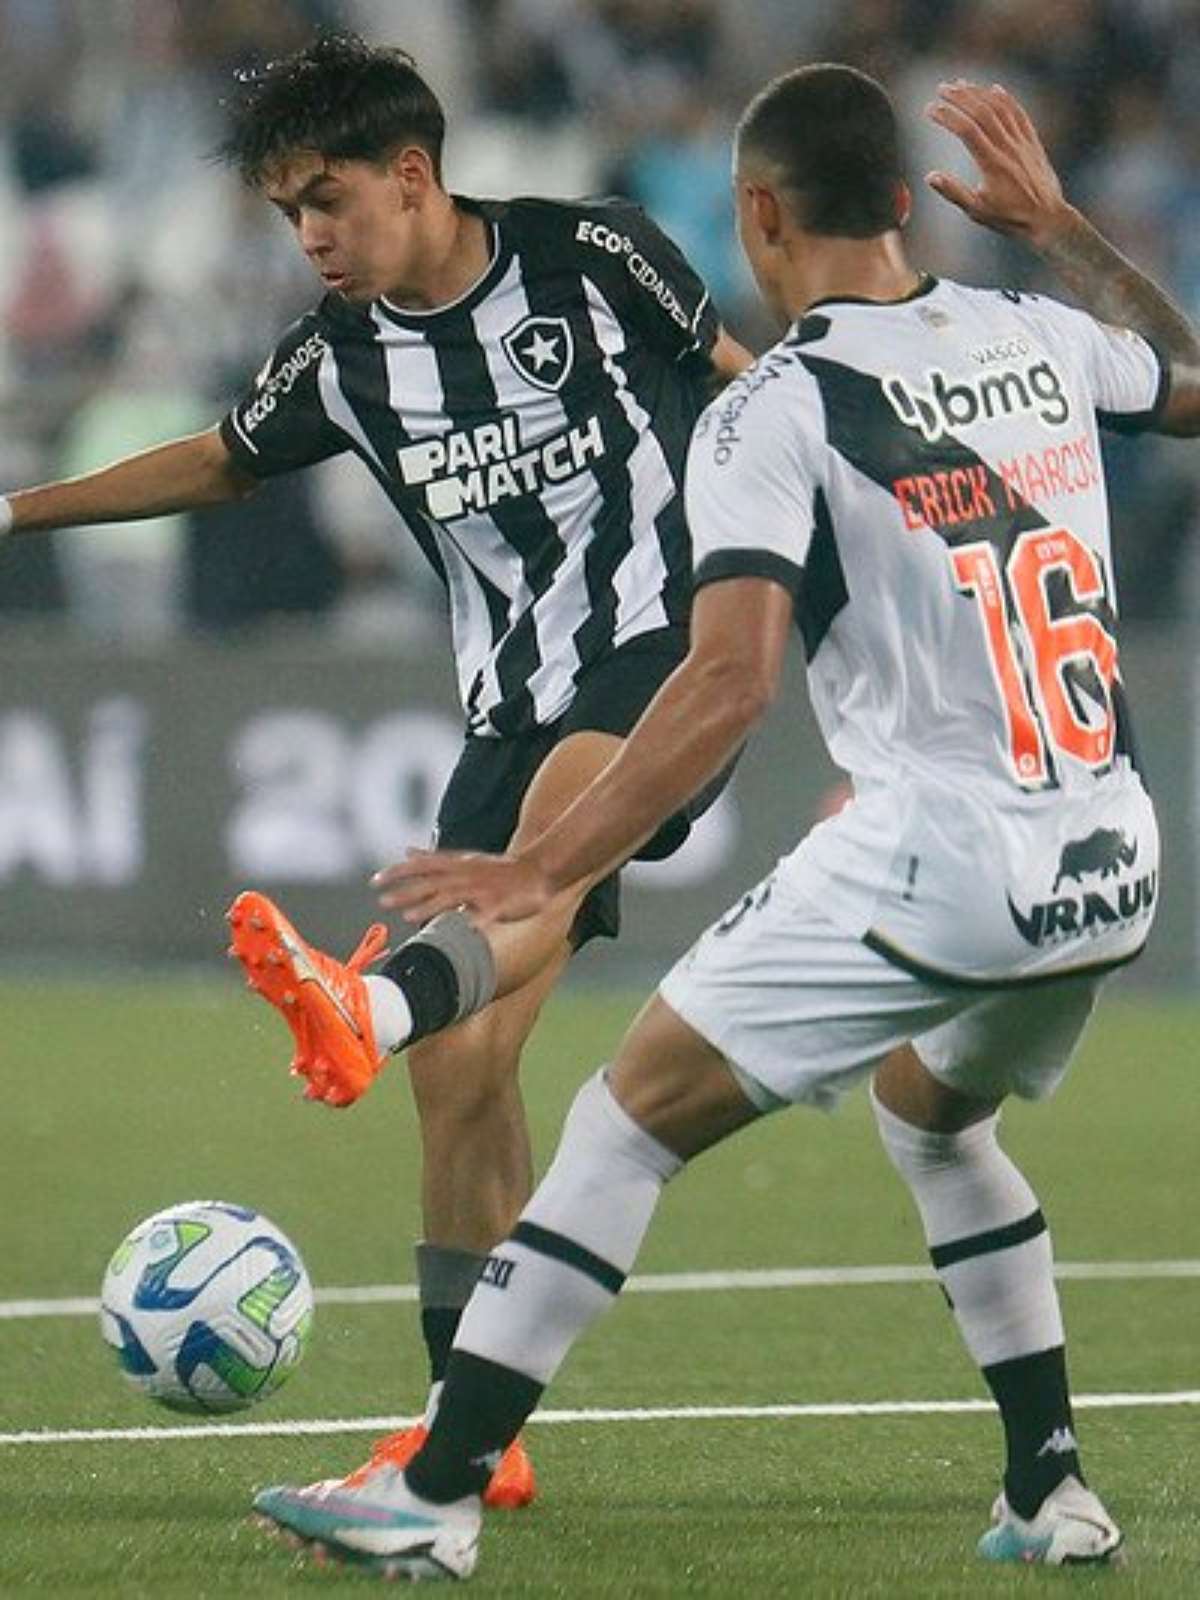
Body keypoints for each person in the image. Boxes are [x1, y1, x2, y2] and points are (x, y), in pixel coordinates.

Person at [246, 67, 1200, 1580]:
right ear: (905, 200)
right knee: (935, 1123)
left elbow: (728, 678)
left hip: (940, 856)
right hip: (1116, 859)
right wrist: (1066, 227)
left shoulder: (778, 403)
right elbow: (1193, 382)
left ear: (755, 215)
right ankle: (1052, 1489)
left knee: (624, 1120)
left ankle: (433, 1492)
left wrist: (541, 865)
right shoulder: (1043, 334)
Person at [0, 31, 750, 1506]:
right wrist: (19, 508)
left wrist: (827, 560)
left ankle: (373, 998)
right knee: (463, 1074)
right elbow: (224, 453)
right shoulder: (346, 358)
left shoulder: (592, 256)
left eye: (328, 199)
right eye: (289, 215)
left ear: (414, 173)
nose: (313, 237)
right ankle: (473, 1437)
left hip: (669, 649)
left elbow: (744, 380)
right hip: (507, 701)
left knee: (547, 845)